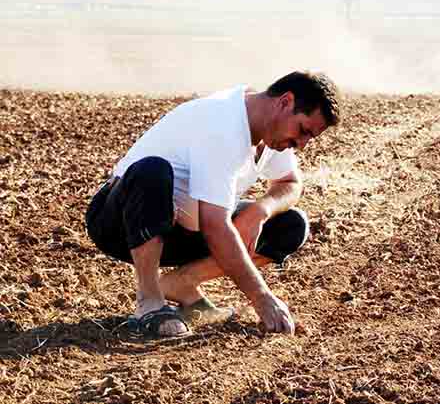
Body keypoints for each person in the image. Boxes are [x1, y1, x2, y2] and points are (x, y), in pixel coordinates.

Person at [85, 71, 340, 338]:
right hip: (121, 222)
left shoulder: (272, 134)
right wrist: (262, 298)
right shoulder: (223, 124)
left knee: (290, 225)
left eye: (309, 137)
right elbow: (215, 226)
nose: (300, 144)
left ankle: (182, 283)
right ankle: (150, 302)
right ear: (285, 102)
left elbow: (290, 182)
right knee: (152, 171)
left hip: (184, 228)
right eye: (302, 131)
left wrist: (260, 210)